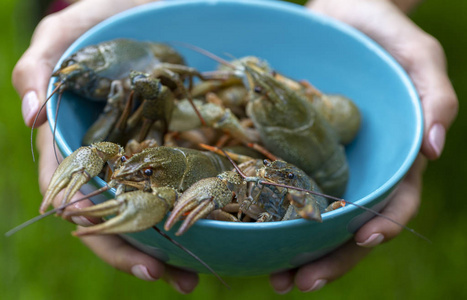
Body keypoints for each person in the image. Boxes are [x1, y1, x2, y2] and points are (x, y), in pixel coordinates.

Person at [12, 0, 458, 294]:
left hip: (254, 180)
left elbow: (226, 173)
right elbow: (109, 150)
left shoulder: (225, 171)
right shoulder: (149, 146)